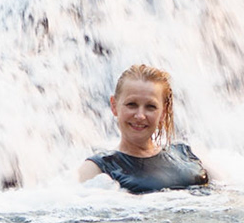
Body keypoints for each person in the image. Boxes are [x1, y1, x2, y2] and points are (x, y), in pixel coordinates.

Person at [76, 64, 210, 193]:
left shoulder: (186, 154)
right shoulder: (98, 169)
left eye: (150, 107)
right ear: (114, 106)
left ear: (163, 112)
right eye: (131, 104)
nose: (140, 116)